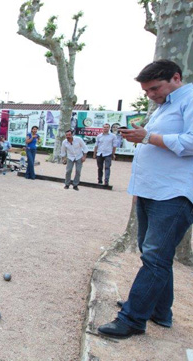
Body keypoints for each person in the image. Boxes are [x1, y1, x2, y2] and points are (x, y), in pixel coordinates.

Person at [98, 59, 193, 339]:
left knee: (154, 257)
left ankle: (133, 319)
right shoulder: (164, 106)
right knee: (155, 255)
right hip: (153, 191)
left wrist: (148, 136)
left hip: (174, 194)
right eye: (147, 91)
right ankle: (159, 312)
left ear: (176, 77)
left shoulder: (190, 99)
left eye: (155, 88)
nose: (151, 95)